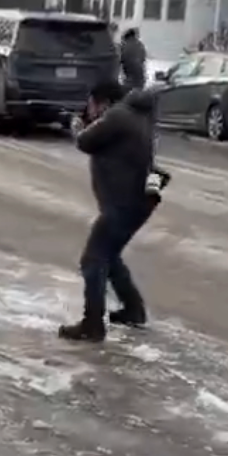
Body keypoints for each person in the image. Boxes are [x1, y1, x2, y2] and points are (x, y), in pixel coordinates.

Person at [59, 78, 168, 343]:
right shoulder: (137, 117)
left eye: (92, 104)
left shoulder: (118, 116)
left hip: (122, 203)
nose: (90, 110)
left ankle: (92, 324)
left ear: (103, 103)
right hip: (136, 203)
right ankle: (133, 310)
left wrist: (77, 127)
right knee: (110, 256)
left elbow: (86, 141)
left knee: (93, 260)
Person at [118, 26, 147, 91]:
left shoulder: (124, 46)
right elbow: (143, 58)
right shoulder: (140, 45)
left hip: (129, 79)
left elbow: (119, 60)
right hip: (140, 78)